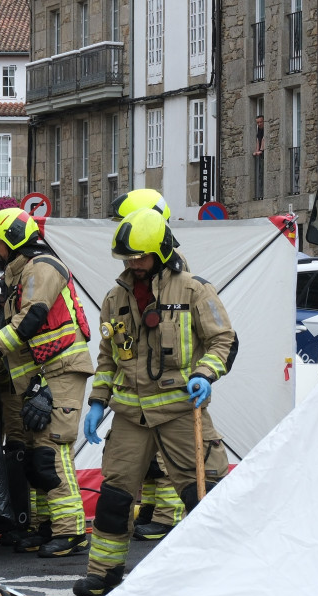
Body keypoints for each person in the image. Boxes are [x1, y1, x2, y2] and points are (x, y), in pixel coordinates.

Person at [76, 208, 238, 596]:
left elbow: (224, 340)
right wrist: (97, 401)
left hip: (181, 411)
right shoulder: (114, 299)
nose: (134, 264)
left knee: (203, 495)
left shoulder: (194, 290)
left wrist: (204, 374)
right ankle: (104, 573)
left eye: (140, 257)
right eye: (128, 259)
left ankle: (222, 575)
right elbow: (107, 358)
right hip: (131, 416)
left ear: (161, 252)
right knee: (114, 497)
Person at [0, 208, 95, 558]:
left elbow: (32, 316)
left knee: (51, 451)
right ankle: (46, 527)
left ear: (11, 239)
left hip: (61, 368)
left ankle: (71, 532)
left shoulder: (43, 267)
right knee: (32, 456)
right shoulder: (19, 273)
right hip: (39, 374)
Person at [107, 189, 187, 542]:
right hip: (136, 400)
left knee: (171, 463)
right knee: (149, 466)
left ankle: (168, 516)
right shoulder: (122, 291)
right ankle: (155, 512)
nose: (132, 263)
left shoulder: (182, 285)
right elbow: (112, 350)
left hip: (169, 398)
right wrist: (99, 399)